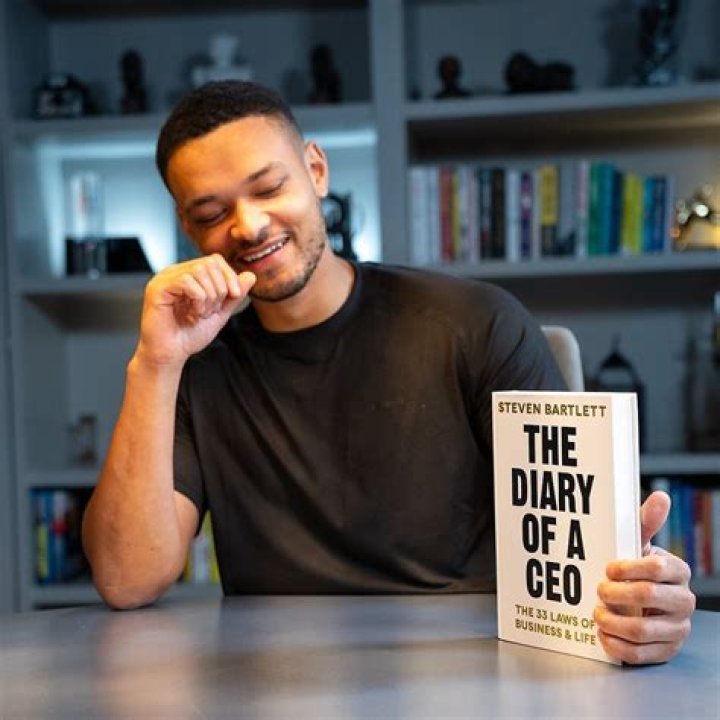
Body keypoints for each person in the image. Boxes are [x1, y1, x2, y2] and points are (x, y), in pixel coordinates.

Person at [82, 80, 694, 665]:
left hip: (471, 669)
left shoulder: (474, 323)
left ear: (316, 170)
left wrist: (639, 604)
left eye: (268, 188)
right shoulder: (196, 367)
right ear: (189, 228)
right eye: (213, 211)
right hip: (274, 674)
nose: (248, 225)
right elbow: (128, 579)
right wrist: (155, 363)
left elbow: (578, 556)